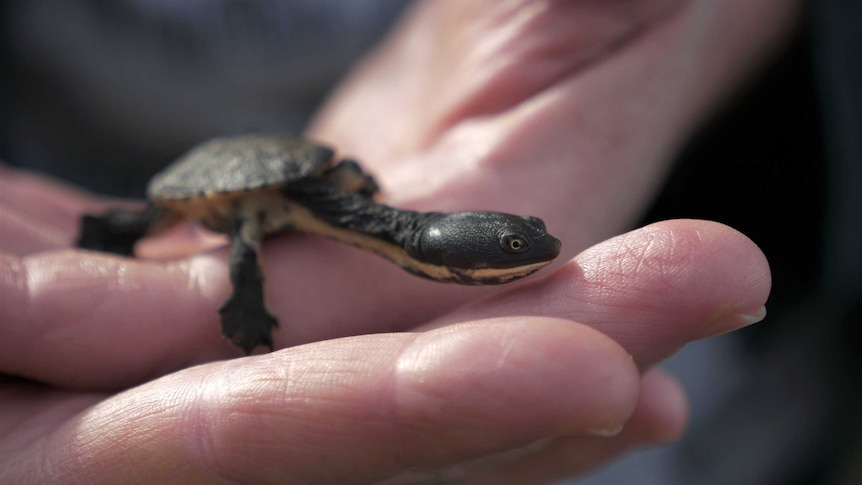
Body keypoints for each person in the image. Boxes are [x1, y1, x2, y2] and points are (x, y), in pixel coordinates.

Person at [0, 1, 796, 483]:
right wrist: (246, 304)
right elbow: (245, 244)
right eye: (513, 251)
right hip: (186, 178)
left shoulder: (342, 193)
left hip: (752, 417)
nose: (531, 251)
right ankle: (112, 228)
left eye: (519, 246)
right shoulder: (291, 207)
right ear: (450, 264)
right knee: (169, 222)